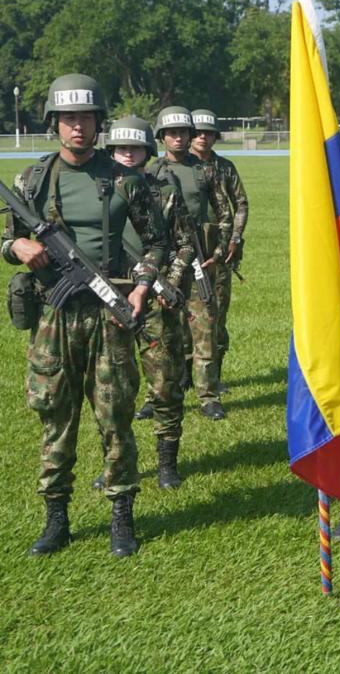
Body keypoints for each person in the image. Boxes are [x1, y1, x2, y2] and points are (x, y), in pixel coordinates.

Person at [1, 74, 166, 557]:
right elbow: (6, 240)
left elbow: (157, 242)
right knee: (55, 415)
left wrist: (140, 287)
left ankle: (121, 514)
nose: (78, 127)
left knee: (116, 416)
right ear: (55, 123)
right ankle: (57, 519)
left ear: (99, 123)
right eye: (69, 119)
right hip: (54, 314)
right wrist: (17, 245)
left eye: (86, 119)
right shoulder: (31, 181)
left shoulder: (126, 181)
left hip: (109, 314)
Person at [106, 115, 195, 489]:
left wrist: (168, 284)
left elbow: (186, 243)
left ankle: (166, 462)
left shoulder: (165, 192)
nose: (127, 155)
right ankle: (117, 465)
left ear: (147, 151)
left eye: (135, 148)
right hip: (110, 298)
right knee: (111, 388)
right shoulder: (101, 189)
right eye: (121, 148)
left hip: (158, 303)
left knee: (164, 385)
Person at [146, 107, 233, 420]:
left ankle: (208, 395)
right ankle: (155, 394)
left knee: (205, 328)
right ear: (161, 137)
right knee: (159, 330)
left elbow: (225, 214)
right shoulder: (151, 171)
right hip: (165, 261)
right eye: (172, 133)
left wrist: (220, 251)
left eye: (184, 131)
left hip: (199, 260)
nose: (179, 137)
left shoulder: (206, 170)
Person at [189, 109, 249, 393]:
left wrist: (234, 239)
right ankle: (185, 376)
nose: (203, 137)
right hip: (186, 251)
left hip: (220, 251)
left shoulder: (225, 168)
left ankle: (214, 376)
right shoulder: (180, 167)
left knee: (217, 315)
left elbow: (241, 204)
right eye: (199, 131)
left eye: (209, 132)